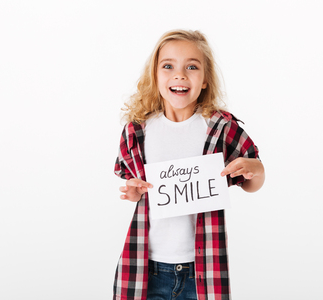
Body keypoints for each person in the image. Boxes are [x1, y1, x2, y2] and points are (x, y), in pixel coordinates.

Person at [113, 29, 265, 300]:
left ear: (205, 79)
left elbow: (252, 181)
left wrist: (256, 170)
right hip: (148, 269)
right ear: (155, 76)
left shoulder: (219, 127)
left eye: (192, 67)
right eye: (168, 66)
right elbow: (133, 184)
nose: (180, 75)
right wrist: (134, 191)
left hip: (203, 271)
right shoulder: (139, 130)